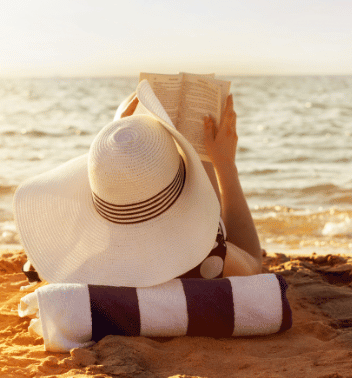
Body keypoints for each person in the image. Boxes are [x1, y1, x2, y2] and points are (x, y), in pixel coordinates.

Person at [13, 79, 262, 288]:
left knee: (126, 155)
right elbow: (253, 264)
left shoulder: (83, 265)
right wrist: (225, 165)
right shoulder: (209, 256)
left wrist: (118, 135)